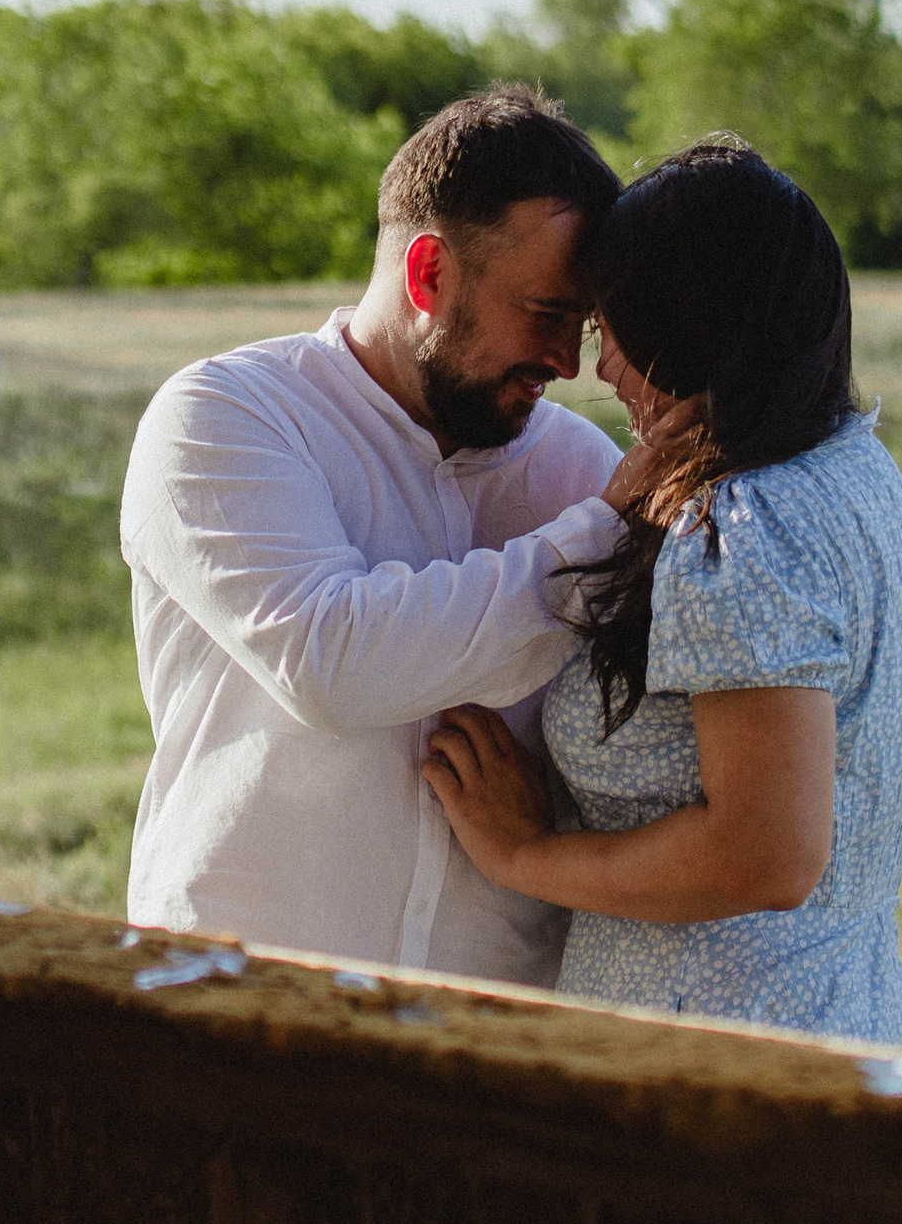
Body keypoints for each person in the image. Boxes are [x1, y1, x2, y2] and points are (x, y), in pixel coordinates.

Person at [423, 138, 902, 1043]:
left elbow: (763, 857)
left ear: (684, 324)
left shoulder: (746, 525)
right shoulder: (851, 467)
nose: (603, 369)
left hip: (714, 1061)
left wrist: (524, 855)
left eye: (609, 328)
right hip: (842, 1024)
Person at [121, 86, 636, 982]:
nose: (567, 361)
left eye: (583, 326)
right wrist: (601, 541)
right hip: (241, 1009)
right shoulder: (226, 416)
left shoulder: (580, 470)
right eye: (547, 314)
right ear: (429, 273)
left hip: (497, 1025)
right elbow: (331, 662)